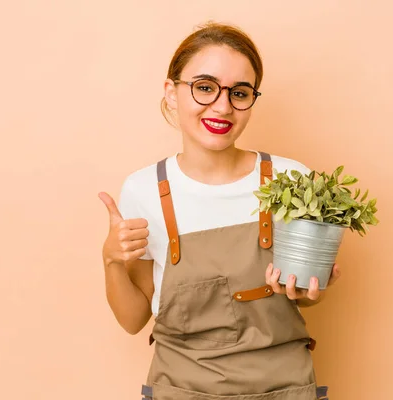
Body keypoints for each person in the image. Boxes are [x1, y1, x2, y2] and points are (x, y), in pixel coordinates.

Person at [98, 21, 340, 400]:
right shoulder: (143, 190)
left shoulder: (292, 179)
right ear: (172, 92)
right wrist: (111, 260)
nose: (223, 107)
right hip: (181, 390)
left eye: (239, 92)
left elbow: (308, 293)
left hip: (284, 389)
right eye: (205, 87)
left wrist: (312, 289)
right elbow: (133, 320)